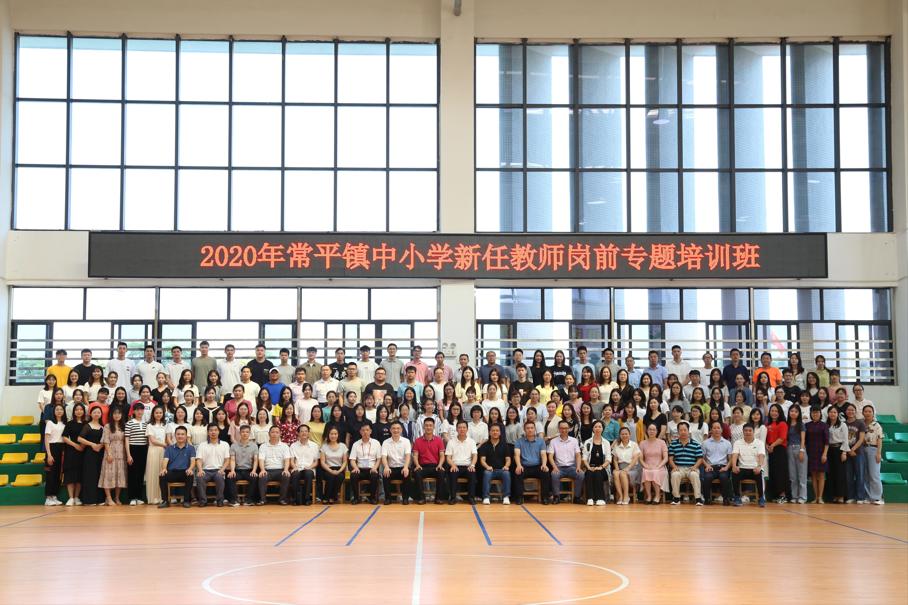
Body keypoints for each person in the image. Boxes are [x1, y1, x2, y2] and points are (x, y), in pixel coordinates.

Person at [157, 426, 196, 508]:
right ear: (175, 435)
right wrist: (164, 469)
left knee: (190, 475)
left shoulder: (191, 448)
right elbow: (165, 460)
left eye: (182, 434)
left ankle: (186, 501)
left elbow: (193, 461)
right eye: (178, 434)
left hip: (185, 472)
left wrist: (190, 469)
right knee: (162, 475)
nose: (180, 436)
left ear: (186, 436)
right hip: (172, 472)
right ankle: (165, 501)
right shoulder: (169, 448)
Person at [513, 421, 550, 505]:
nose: (530, 430)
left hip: (537, 466)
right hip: (524, 466)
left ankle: (545, 497)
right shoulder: (519, 441)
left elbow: (543, 454)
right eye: (528, 428)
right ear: (524, 430)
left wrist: (544, 464)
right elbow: (517, 454)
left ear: (535, 429)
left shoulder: (541, 441)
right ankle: (519, 497)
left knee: (545, 472)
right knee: (518, 472)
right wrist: (518, 465)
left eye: (532, 428)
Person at [412, 417, 448, 504]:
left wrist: (440, 465)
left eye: (430, 425)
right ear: (423, 427)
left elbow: (442, 455)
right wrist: (417, 465)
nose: (428, 427)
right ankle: (421, 498)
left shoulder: (439, 440)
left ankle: (438, 498)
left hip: (435, 466)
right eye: (426, 425)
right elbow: (415, 456)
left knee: (441, 472)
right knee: (417, 473)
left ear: (434, 427)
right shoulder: (418, 441)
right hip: (422, 466)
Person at [548, 421, 584, 504]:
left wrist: (578, 467)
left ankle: (577, 497)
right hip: (559, 468)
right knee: (554, 474)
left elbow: (578, 455)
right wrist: (554, 467)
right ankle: (556, 497)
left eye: (565, 428)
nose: (564, 430)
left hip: (572, 467)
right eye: (561, 428)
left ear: (569, 429)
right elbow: (550, 456)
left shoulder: (574, 441)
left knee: (581, 474)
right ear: (558, 429)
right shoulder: (553, 441)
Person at [668, 422, 704, 505]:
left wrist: (695, 467)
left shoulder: (696, 444)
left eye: (685, 430)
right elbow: (670, 459)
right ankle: (676, 498)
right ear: (678, 432)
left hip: (691, 468)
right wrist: (674, 467)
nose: (683, 432)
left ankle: (698, 498)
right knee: (675, 475)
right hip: (679, 468)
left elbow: (700, 458)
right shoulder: (673, 444)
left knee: (694, 475)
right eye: (681, 430)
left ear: (688, 431)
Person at [731, 424, 766, 507]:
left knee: (760, 474)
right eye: (746, 430)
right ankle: (737, 497)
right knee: (734, 473)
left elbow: (761, 456)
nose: (748, 432)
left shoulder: (759, 443)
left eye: (750, 431)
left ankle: (761, 497)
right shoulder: (738, 442)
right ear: (743, 432)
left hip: (754, 468)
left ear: (753, 432)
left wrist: (759, 466)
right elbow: (735, 455)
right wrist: (734, 466)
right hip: (742, 468)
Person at [99, 406, 128, 506]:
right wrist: (109, 454)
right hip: (110, 452)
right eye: (115, 413)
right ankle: (108, 498)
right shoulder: (107, 426)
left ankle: (117, 497)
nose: (117, 415)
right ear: (111, 415)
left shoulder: (124, 426)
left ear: (122, 415)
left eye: (119, 413)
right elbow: (106, 441)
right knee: (108, 475)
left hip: (121, 453)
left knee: (119, 475)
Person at [700, 421, 733, 505]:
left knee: (724, 477)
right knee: (707, 477)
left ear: (722, 430)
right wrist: (707, 465)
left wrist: (726, 467)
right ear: (711, 430)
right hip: (710, 467)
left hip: (723, 467)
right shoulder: (705, 443)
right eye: (714, 428)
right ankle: (707, 499)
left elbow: (730, 459)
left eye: (718, 428)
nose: (716, 430)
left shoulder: (727, 443)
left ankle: (726, 499)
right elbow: (701, 458)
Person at [227, 424, 261, 506]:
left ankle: (248, 499)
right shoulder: (234, 445)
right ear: (239, 433)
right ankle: (234, 500)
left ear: (249, 433)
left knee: (254, 477)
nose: (245, 433)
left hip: (249, 470)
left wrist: (254, 471)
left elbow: (255, 460)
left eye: (247, 432)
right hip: (237, 470)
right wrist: (232, 471)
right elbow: (232, 459)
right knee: (230, 477)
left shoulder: (254, 446)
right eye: (243, 432)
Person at [258, 425, 292, 505]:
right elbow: (261, 460)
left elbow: (287, 460)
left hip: (280, 470)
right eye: (272, 432)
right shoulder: (263, 446)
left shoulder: (284, 446)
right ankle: (263, 499)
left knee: (286, 475)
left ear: (280, 434)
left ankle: (282, 499)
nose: (274, 434)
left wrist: (286, 470)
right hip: (267, 470)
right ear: (269, 434)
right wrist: (262, 470)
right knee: (262, 476)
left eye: (277, 432)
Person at [380, 422, 413, 505]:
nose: (396, 430)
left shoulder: (406, 441)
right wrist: (386, 467)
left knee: (407, 473)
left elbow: (408, 456)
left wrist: (406, 467)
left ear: (401, 430)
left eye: (398, 428)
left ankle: (405, 498)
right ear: (390, 430)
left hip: (402, 467)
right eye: (394, 428)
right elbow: (383, 456)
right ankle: (388, 498)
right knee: (385, 473)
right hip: (391, 468)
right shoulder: (385, 442)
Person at [78, 406, 105, 506]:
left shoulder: (103, 427)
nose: (96, 414)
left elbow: (106, 440)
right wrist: (92, 444)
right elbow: (79, 438)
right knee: (90, 476)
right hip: (89, 454)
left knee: (99, 475)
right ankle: (89, 500)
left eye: (98, 412)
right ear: (90, 414)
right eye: (94, 412)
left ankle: (100, 499)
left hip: (100, 453)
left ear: (101, 414)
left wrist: (100, 446)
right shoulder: (87, 426)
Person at [445, 420, 478, 504]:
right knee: (452, 474)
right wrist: (453, 465)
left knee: (472, 474)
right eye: (460, 427)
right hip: (455, 465)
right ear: (456, 429)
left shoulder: (472, 442)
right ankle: (453, 497)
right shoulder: (451, 442)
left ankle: (471, 497)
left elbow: (475, 456)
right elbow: (448, 458)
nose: (462, 429)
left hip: (468, 466)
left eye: (464, 427)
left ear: (467, 429)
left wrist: (472, 465)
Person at [478, 424, 511, 505]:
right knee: (486, 473)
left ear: (500, 433)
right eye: (493, 430)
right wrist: (487, 467)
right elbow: (482, 460)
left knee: (506, 473)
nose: (495, 432)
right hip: (490, 470)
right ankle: (486, 497)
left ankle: (506, 497)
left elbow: (508, 459)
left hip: (501, 470)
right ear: (489, 433)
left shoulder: (505, 445)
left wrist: (506, 466)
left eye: (497, 431)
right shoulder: (485, 445)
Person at [349, 424, 382, 504]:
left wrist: (375, 468)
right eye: (363, 430)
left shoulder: (376, 443)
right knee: (353, 475)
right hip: (359, 469)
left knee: (374, 476)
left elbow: (379, 459)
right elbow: (352, 459)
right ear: (360, 432)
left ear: (370, 431)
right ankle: (356, 498)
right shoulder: (356, 444)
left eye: (367, 430)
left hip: (372, 469)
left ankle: (372, 498)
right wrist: (355, 467)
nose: (365, 432)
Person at [288, 424, 320, 505]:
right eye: (301, 431)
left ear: (309, 433)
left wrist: (309, 467)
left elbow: (316, 462)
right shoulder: (293, 446)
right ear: (298, 433)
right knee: (295, 474)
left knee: (308, 474)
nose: (304, 433)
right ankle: (295, 499)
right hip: (297, 468)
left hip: (309, 468)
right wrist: (294, 467)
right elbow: (292, 461)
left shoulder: (314, 446)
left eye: (306, 431)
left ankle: (307, 499)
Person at [581, 420, 611, 506]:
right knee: (589, 473)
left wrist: (601, 467)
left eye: (599, 427)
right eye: (595, 427)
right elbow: (584, 458)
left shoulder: (606, 442)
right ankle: (590, 498)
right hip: (590, 467)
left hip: (603, 468)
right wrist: (588, 467)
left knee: (598, 473)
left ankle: (600, 498)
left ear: (602, 429)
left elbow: (608, 459)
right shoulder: (588, 442)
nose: (597, 429)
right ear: (593, 429)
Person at [42, 402, 66, 506]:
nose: (59, 411)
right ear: (54, 411)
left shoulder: (64, 424)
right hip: (51, 448)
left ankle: (54, 496)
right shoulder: (50, 423)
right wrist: (49, 454)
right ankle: (48, 497)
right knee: (50, 474)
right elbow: (46, 439)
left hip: (61, 448)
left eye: (61, 409)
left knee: (57, 474)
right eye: (57, 409)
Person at [124, 403, 148, 505]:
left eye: (141, 410)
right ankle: (132, 498)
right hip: (133, 449)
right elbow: (126, 439)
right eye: (137, 410)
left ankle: (139, 497)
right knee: (132, 474)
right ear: (133, 411)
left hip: (143, 449)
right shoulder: (129, 423)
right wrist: (128, 455)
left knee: (141, 474)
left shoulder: (146, 423)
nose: (139, 412)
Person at [639, 422, 668, 505]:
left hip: (660, 466)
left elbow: (665, 458)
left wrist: (659, 466)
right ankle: (649, 496)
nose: (651, 431)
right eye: (650, 429)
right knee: (646, 472)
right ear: (647, 431)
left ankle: (657, 496)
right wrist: (645, 465)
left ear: (657, 431)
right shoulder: (642, 443)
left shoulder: (662, 442)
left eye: (654, 430)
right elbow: (640, 458)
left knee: (655, 472)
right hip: (647, 466)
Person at [766, 403, 790, 503]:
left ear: (780, 413)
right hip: (770, 450)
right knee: (773, 472)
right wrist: (767, 446)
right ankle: (776, 495)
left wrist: (772, 445)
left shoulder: (783, 424)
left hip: (780, 450)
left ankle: (783, 495)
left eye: (776, 411)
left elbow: (782, 438)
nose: (774, 413)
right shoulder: (767, 425)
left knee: (780, 472)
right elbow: (766, 438)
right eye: (772, 411)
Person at [861, 405, 884, 505]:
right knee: (865, 474)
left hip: (873, 449)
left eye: (869, 411)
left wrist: (878, 453)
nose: (867, 413)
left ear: (873, 413)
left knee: (874, 474)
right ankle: (868, 497)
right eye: (865, 411)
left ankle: (878, 497)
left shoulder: (877, 425)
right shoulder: (861, 424)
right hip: (863, 449)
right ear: (862, 413)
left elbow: (880, 439)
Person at [843, 404, 867, 503]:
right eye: (848, 410)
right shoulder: (843, 423)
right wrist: (848, 450)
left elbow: (861, 439)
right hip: (847, 452)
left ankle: (860, 497)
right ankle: (850, 496)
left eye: (852, 410)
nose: (850, 412)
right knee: (848, 476)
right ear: (845, 412)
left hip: (858, 453)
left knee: (860, 475)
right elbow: (843, 439)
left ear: (855, 411)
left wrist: (853, 449)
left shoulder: (860, 423)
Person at [825, 406, 849, 503]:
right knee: (831, 474)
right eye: (831, 412)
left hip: (839, 450)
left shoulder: (842, 425)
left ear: (838, 414)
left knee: (840, 474)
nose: (832, 414)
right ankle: (834, 495)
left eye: (834, 412)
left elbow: (846, 439)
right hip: (828, 450)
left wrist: (844, 452)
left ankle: (841, 496)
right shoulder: (826, 425)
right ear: (828, 413)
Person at [319, 427, 348, 504]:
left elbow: (345, 461)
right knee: (330, 476)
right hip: (327, 468)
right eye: (331, 434)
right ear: (328, 435)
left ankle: (332, 497)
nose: (333, 436)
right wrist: (331, 470)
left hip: (339, 468)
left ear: (338, 435)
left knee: (340, 477)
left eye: (335, 434)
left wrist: (339, 471)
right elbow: (322, 462)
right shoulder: (324, 446)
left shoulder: (343, 446)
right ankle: (326, 497)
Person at [612, 427, 641, 505]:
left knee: (622, 473)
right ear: (620, 435)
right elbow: (615, 459)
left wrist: (628, 468)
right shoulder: (617, 445)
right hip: (620, 467)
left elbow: (635, 459)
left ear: (629, 435)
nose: (624, 435)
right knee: (615, 473)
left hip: (632, 468)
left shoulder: (634, 444)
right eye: (622, 434)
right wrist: (617, 468)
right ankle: (620, 496)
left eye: (626, 434)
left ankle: (626, 496)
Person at [786, 405, 808, 504]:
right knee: (792, 476)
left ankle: (802, 497)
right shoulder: (787, 424)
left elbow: (803, 439)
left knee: (802, 475)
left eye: (796, 411)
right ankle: (794, 496)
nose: (793, 413)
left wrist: (802, 450)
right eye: (791, 411)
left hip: (799, 448)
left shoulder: (801, 424)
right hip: (789, 449)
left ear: (799, 413)